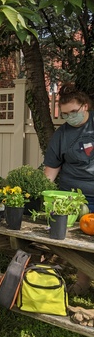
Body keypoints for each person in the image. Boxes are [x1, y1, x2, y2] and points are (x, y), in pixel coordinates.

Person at [44, 84, 93, 295]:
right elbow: (51, 171)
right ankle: (82, 281)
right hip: (70, 198)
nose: (69, 117)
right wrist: (42, 194)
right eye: (65, 114)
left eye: (73, 112)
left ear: (85, 106)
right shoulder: (61, 135)